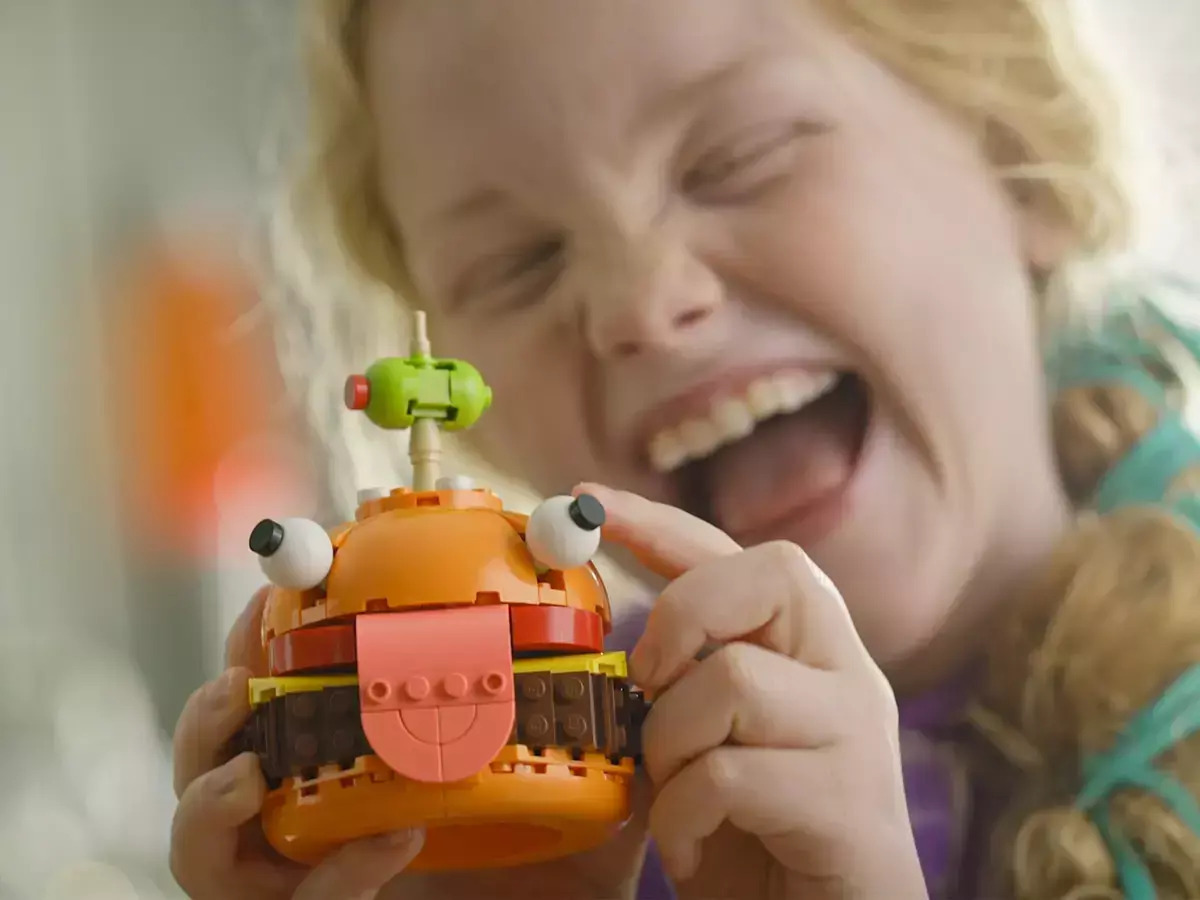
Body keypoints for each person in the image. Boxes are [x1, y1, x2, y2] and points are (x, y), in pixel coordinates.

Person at [169, 0, 1200, 898]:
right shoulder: (580, 796)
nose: (638, 305)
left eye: (736, 157)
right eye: (521, 264)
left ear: (1019, 154)